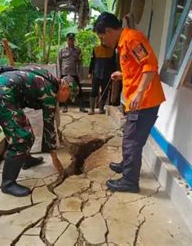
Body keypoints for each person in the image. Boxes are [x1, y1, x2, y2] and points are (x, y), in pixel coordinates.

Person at [93, 12, 166, 193]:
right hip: (138, 100)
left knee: (132, 141)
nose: (104, 42)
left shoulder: (133, 39)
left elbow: (150, 66)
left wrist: (140, 93)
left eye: (102, 37)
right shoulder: (124, 42)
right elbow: (138, 69)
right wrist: (123, 74)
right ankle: (127, 165)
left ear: (109, 31)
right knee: (130, 136)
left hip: (145, 101)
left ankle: (129, 181)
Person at [0, 65, 78, 197]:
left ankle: (26, 160)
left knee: (27, 134)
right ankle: (7, 184)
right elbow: (49, 126)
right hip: (1, 94)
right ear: (65, 88)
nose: (66, 101)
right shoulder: (50, 92)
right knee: (21, 137)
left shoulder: (47, 76)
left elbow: (16, 69)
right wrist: (54, 158)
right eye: (68, 97)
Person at [57, 33, 87, 113]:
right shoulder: (62, 50)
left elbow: (80, 63)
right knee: (64, 90)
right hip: (64, 73)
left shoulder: (78, 50)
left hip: (74, 73)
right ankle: (65, 107)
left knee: (79, 90)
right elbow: (58, 63)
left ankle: (82, 107)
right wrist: (59, 75)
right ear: (67, 40)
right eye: (69, 39)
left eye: (72, 39)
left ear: (74, 40)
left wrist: (80, 75)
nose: (71, 41)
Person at [88, 43, 117, 114]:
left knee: (105, 91)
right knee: (94, 91)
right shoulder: (96, 49)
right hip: (96, 73)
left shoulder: (112, 50)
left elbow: (114, 63)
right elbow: (92, 61)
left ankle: (101, 108)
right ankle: (91, 109)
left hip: (107, 74)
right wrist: (90, 72)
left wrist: (114, 73)